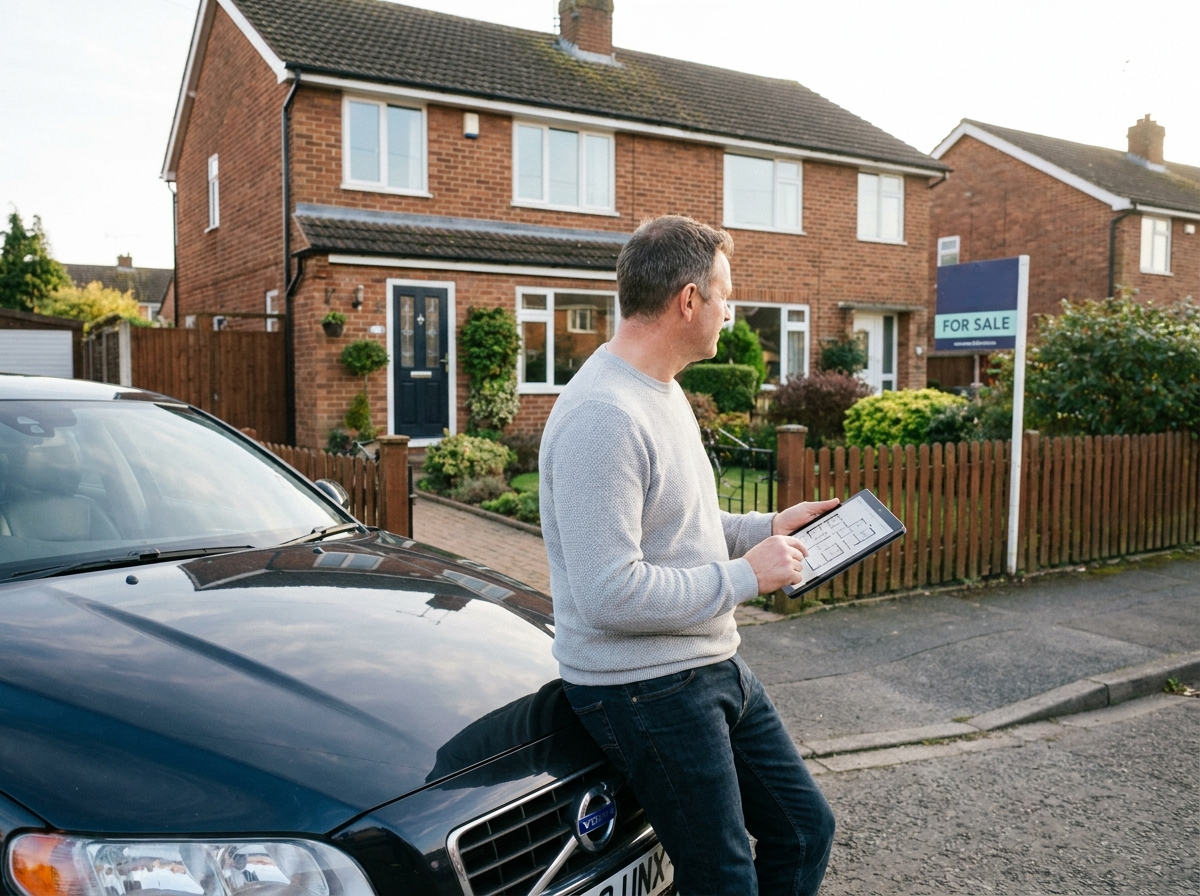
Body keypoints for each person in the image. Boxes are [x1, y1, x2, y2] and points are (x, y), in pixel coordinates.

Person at [539, 214, 838, 896]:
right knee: (722, 878)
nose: (731, 312)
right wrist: (746, 576)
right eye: (726, 296)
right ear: (688, 300)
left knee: (802, 829)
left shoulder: (662, 391)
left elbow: (682, 524)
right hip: (643, 684)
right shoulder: (603, 415)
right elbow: (610, 592)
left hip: (708, 662)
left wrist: (766, 525)